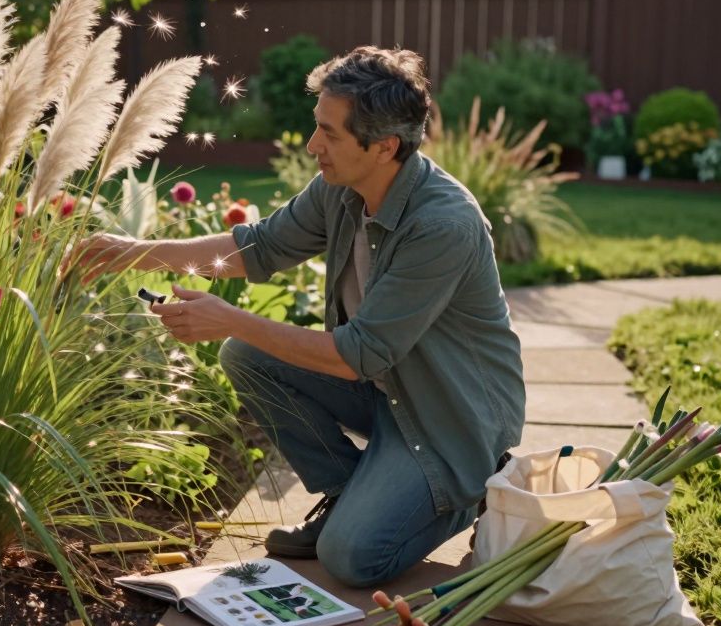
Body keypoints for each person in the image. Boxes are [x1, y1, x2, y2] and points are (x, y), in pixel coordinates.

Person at [66, 46, 525, 588]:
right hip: (388, 390)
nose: (314, 147)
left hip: (449, 416)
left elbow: (358, 356)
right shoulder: (343, 190)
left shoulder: (441, 225)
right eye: (317, 129)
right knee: (249, 356)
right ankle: (349, 491)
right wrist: (131, 251)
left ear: (384, 147)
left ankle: (470, 492)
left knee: (353, 560)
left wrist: (230, 318)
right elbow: (257, 249)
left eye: (329, 134)